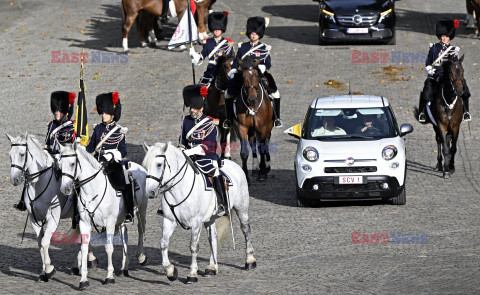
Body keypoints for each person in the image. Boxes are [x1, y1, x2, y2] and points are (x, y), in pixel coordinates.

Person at [13, 91, 76, 211]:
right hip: (49, 155)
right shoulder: (51, 125)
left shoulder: (70, 127)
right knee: (31, 171)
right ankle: (23, 201)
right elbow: (47, 142)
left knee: (70, 177)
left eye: (59, 111)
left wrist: (57, 155)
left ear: (66, 112)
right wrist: (44, 152)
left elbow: (67, 146)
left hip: (62, 157)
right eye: (55, 111)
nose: (57, 113)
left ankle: (75, 207)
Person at [224, 16, 282, 129]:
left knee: (276, 94)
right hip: (244, 74)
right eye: (251, 33)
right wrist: (234, 70)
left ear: (259, 34)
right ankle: (229, 119)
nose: (253, 35)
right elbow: (237, 60)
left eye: (255, 33)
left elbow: (268, 63)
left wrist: (262, 68)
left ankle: (277, 118)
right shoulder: (243, 47)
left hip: (260, 74)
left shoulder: (264, 48)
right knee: (228, 93)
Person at [86, 92, 134, 224]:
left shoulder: (119, 130)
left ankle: (129, 212)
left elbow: (123, 150)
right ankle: (78, 214)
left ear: (112, 114)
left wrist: (112, 155)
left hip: (112, 163)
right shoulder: (97, 129)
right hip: (97, 162)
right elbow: (91, 147)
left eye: (106, 113)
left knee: (125, 181)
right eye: (102, 113)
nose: (103, 116)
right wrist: (80, 146)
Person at [180, 84, 228, 216]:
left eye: (195, 108)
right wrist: (181, 150)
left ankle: (223, 204)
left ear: (201, 108)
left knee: (215, 172)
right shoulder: (186, 121)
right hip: (188, 157)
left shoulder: (210, 123)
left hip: (206, 157)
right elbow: (183, 141)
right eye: (191, 107)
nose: (192, 110)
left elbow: (207, 146)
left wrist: (189, 152)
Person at [418, 19, 471, 122]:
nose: (444, 38)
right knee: (427, 88)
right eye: (442, 36)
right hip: (436, 74)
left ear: (450, 37)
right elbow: (428, 62)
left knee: (464, 87)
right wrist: (430, 70)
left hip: (450, 75)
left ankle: (466, 111)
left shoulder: (454, 50)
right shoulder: (434, 48)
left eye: (446, 36)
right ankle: (422, 112)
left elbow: (456, 65)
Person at [189, 11, 234, 85]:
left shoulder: (228, 43)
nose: (216, 31)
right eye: (215, 29)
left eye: (218, 29)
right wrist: (194, 54)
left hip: (223, 70)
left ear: (222, 30)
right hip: (211, 69)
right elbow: (202, 56)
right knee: (202, 87)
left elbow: (232, 58)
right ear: (212, 29)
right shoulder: (208, 42)